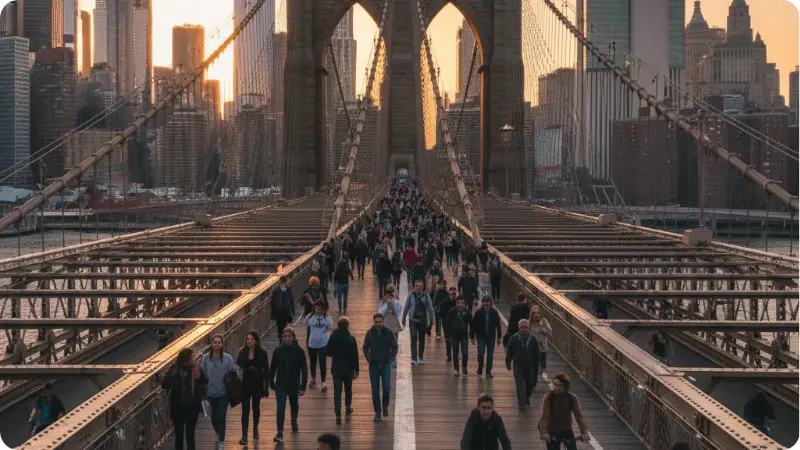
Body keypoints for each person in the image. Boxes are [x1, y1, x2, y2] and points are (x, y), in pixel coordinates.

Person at [161, 348, 207, 450]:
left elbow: (205, 381)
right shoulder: (174, 370)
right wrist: (173, 377)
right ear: (184, 361)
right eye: (191, 359)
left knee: (190, 435)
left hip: (192, 407)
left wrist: (198, 375)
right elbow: (164, 384)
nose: (193, 361)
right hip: (177, 408)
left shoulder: (195, 369)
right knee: (179, 436)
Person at [268, 327, 308, 443]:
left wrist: (303, 387)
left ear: (293, 338)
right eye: (285, 336)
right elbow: (273, 367)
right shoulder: (278, 351)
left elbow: (304, 369)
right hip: (281, 384)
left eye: (289, 336)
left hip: (294, 384)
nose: (287, 338)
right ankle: (280, 432)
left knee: (294, 405)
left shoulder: (299, 351)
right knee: (280, 408)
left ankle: (294, 420)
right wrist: (271, 381)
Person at [538, 372, 589, 450]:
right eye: (554, 385)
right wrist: (544, 432)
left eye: (559, 385)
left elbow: (579, 416)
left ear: (565, 387)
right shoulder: (549, 397)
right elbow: (545, 416)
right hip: (553, 431)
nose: (555, 387)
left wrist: (584, 432)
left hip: (567, 431)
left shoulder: (571, 398)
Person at [201, 335, 235, 449]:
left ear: (222, 344)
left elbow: (232, 374)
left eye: (219, 342)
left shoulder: (228, 358)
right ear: (211, 344)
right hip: (210, 393)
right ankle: (217, 432)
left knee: (221, 416)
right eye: (215, 342)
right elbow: (203, 373)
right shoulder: (205, 358)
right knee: (213, 417)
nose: (217, 344)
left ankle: (221, 441)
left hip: (223, 393)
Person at [236, 331, 270, 445]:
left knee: (256, 408)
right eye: (247, 339)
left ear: (256, 341)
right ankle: (244, 435)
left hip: (257, 384)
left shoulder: (262, 352)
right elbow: (237, 367)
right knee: (245, 409)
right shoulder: (242, 352)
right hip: (245, 384)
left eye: (251, 339)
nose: (249, 341)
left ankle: (255, 428)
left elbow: (266, 370)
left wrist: (266, 386)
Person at [363, 313, 398, 422]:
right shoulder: (369, 333)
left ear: (383, 321)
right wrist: (368, 358)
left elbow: (395, 347)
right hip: (373, 365)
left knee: (386, 388)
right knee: (375, 390)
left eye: (380, 322)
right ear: (374, 322)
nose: (378, 324)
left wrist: (391, 358)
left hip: (386, 364)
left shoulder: (389, 333)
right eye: (376, 322)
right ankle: (377, 412)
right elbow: (365, 347)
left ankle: (385, 405)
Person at [326, 316, 360, 424]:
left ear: (338, 325)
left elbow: (328, 352)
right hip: (348, 369)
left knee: (337, 392)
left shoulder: (333, 337)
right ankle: (348, 408)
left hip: (336, 369)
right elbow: (355, 356)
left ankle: (338, 415)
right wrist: (357, 369)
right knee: (348, 389)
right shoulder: (351, 339)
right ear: (347, 326)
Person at [505, 319, 540, 410]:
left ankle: (526, 397)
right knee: (520, 385)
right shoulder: (514, 338)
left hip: (530, 365)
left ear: (529, 328)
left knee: (530, 385)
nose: (523, 329)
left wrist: (540, 365)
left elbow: (537, 354)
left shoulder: (533, 339)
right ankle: (521, 404)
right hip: (518, 365)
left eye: (526, 327)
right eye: (522, 327)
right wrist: (508, 362)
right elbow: (509, 351)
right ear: (518, 328)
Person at [401, 280, 436, 365]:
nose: (418, 288)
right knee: (413, 337)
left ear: (423, 287)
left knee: (421, 338)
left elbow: (430, 309)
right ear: (414, 287)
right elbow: (406, 307)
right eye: (417, 286)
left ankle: (420, 357)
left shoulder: (426, 296)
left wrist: (432, 321)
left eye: (420, 286)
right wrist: (403, 318)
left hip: (423, 321)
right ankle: (414, 358)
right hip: (413, 320)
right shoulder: (411, 295)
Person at [305, 300, 334, 391]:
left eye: (320, 309)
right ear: (314, 308)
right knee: (313, 362)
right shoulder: (311, 316)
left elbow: (330, 326)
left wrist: (326, 316)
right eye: (317, 308)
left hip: (323, 343)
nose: (319, 310)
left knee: (322, 362)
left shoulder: (327, 318)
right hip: (312, 344)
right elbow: (305, 323)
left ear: (323, 309)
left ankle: (323, 382)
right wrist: (310, 314)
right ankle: (313, 378)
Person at [472, 296, 502, 378]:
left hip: (491, 337)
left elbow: (498, 325)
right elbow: (474, 325)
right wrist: (472, 336)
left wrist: (499, 337)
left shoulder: (494, 312)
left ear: (490, 303)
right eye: (484, 302)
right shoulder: (478, 312)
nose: (486, 304)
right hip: (481, 336)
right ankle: (480, 365)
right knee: (481, 353)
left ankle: (488, 371)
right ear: (482, 303)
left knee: (490, 355)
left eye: (487, 302)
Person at [447, 296, 473, 377]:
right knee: (455, 353)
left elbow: (471, 324)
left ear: (464, 304)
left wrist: (472, 336)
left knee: (465, 352)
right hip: (454, 335)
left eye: (462, 303)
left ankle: (464, 366)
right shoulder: (451, 311)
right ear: (456, 303)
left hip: (464, 335)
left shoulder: (467, 312)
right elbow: (448, 324)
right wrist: (448, 335)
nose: (460, 305)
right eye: (458, 303)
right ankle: (456, 369)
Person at [529, 306, 552, 378]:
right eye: (533, 313)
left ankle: (541, 371)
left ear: (540, 314)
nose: (535, 315)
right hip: (533, 347)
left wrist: (542, 327)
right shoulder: (530, 322)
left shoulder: (544, 321)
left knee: (542, 365)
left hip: (542, 346)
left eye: (537, 313)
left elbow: (550, 332)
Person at [439, 286, 458, 361]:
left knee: (455, 339)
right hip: (446, 323)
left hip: (455, 323)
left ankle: (455, 353)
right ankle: (449, 354)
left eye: (454, 294)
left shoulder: (458, 302)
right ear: (449, 293)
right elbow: (441, 314)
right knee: (448, 339)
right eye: (451, 293)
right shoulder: (444, 302)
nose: (453, 295)